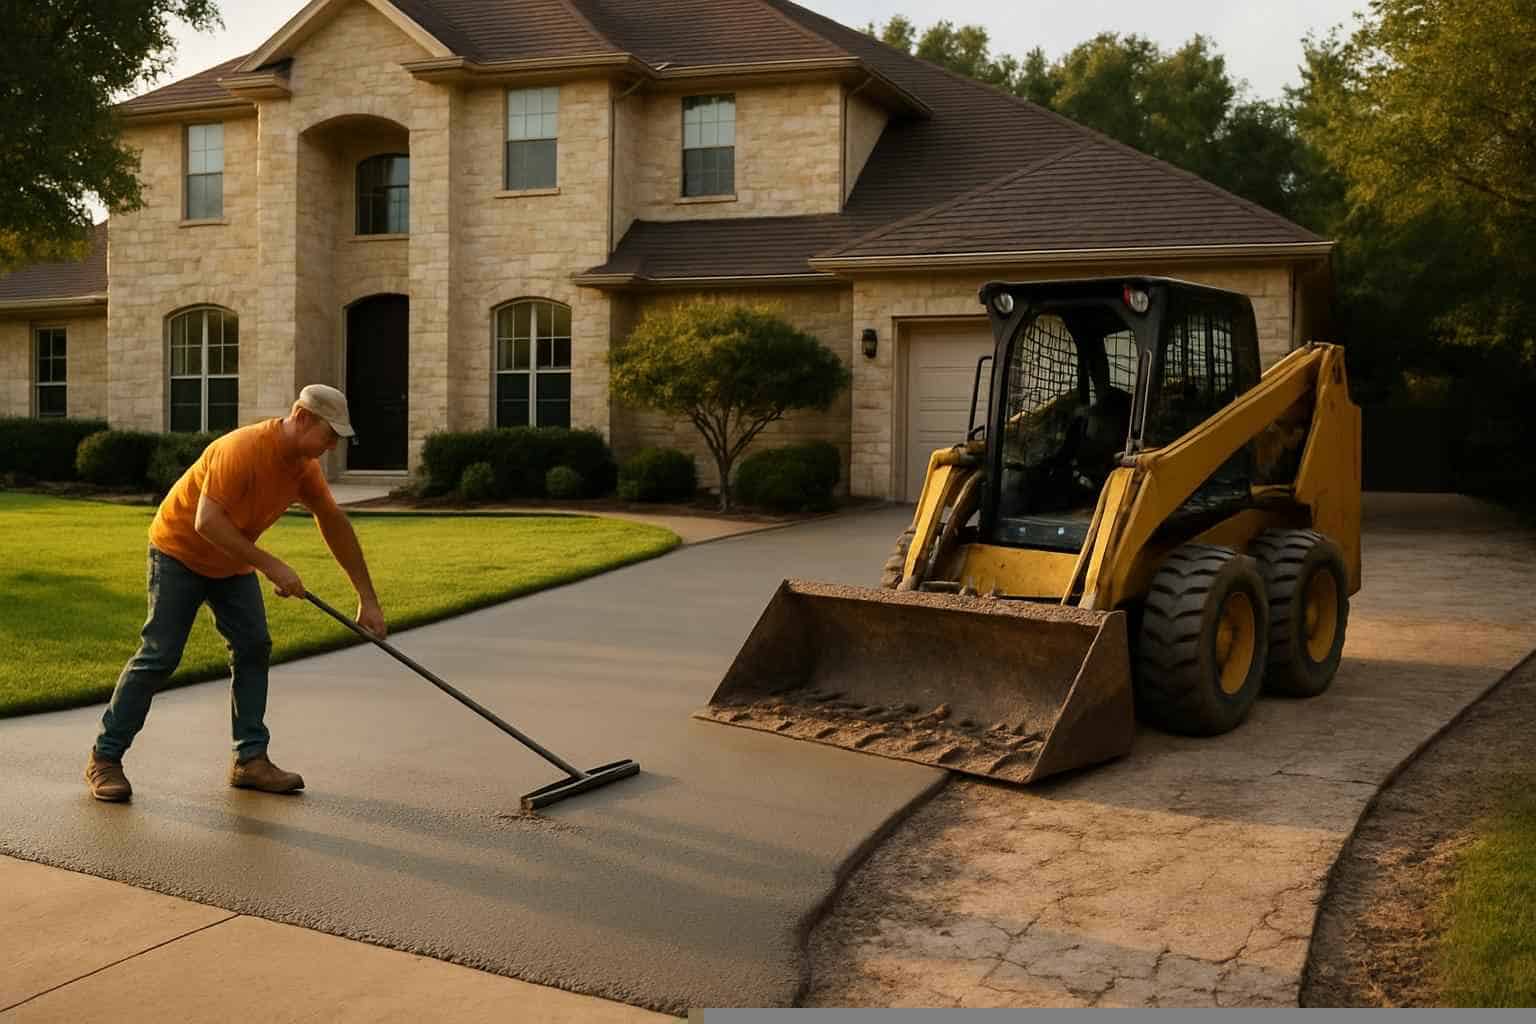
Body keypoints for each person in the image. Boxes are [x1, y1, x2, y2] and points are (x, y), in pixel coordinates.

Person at [84, 384, 387, 802]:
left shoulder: (303, 467)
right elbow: (206, 523)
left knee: (252, 645)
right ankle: (105, 758)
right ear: (301, 418)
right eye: (329, 434)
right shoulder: (242, 449)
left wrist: (366, 598)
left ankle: (250, 760)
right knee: (160, 655)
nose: (332, 445)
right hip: (179, 552)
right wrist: (272, 565)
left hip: (231, 562)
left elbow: (333, 522)